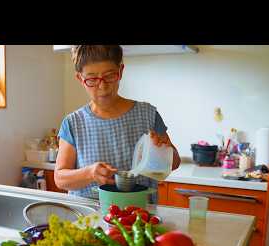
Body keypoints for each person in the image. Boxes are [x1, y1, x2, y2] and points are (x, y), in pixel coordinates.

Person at [54, 45, 181, 200]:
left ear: (120, 72)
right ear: (80, 79)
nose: (102, 86)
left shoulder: (147, 114)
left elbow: (174, 164)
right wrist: (90, 173)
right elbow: (60, 178)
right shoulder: (73, 123)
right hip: (90, 219)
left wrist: (164, 151)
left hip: (139, 217)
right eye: (92, 79)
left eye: (109, 76)